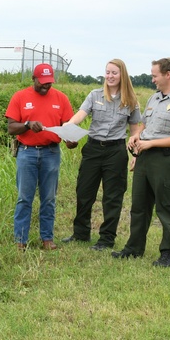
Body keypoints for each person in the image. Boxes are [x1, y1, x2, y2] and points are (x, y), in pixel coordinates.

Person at [112, 57, 170, 267]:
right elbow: (145, 124)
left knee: (166, 207)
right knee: (139, 206)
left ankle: (168, 253)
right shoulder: (154, 99)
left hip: (168, 160)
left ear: (168, 75)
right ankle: (134, 248)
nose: (152, 80)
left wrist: (152, 144)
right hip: (145, 157)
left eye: (155, 75)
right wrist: (137, 137)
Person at [61, 59, 142, 251]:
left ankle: (106, 239)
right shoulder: (94, 95)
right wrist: (69, 125)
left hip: (115, 151)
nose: (110, 76)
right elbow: (81, 114)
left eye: (114, 73)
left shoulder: (131, 100)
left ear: (122, 74)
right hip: (93, 149)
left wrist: (136, 154)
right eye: (107, 72)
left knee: (112, 196)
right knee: (84, 192)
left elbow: (134, 131)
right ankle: (80, 233)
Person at [5, 63, 77, 251]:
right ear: (33, 79)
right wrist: (27, 124)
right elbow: (11, 128)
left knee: (49, 198)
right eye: (42, 82)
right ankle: (20, 240)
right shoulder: (20, 97)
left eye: (49, 83)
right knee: (24, 198)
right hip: (27, 152)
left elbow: (68, 126)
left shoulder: (61, 98)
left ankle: (47, 238)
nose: (46, 86)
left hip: (51, 152)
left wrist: (71, 140)